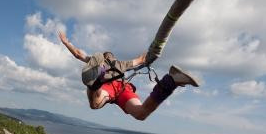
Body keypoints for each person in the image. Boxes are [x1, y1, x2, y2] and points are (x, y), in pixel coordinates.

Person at [58, 31, 198, 121]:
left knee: (95, 103)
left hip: (113, 89)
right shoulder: (121, 64)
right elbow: (141, 59)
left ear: (103, 59)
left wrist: (66, 43)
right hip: (121, 89)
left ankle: (95, 84)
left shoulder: (105, 63)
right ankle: (171, 81)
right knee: (141, 114)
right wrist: (153, 52)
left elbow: (78, 54)